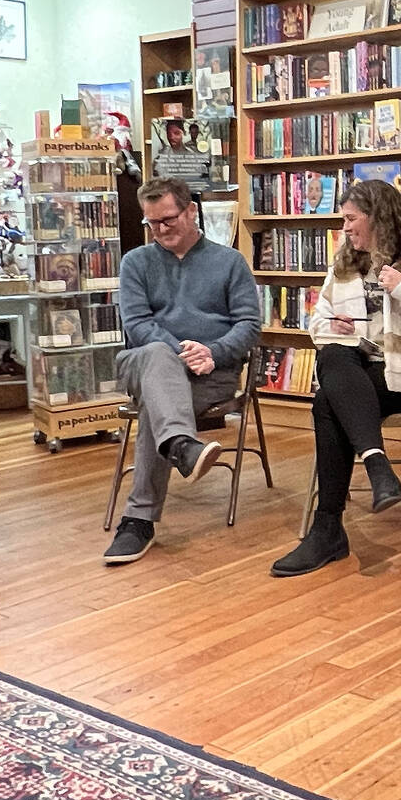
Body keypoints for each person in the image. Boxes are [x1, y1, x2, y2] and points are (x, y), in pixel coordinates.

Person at [275, 180, 401, 577]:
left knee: (330, 400)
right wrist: (332, 324)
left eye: (350, 218)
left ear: (378, 219)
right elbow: (317, 323)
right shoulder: (343, 267)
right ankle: (377, 467)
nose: (344, 228)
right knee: (334, 373)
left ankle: (328, 530)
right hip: (355, 374)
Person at [103, 178, 261, 566]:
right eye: (151, 223)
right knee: (156, 353)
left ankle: (139, 519)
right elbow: (137, 324)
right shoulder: (136, 262)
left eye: (168, 220)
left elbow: (248, 325)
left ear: (192, 211)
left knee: (160, 408)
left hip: (212, 372)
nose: (160, 230)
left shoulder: (228, 262)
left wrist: (213, 351)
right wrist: (180, 353)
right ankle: (182, 448)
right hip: (145, 364)